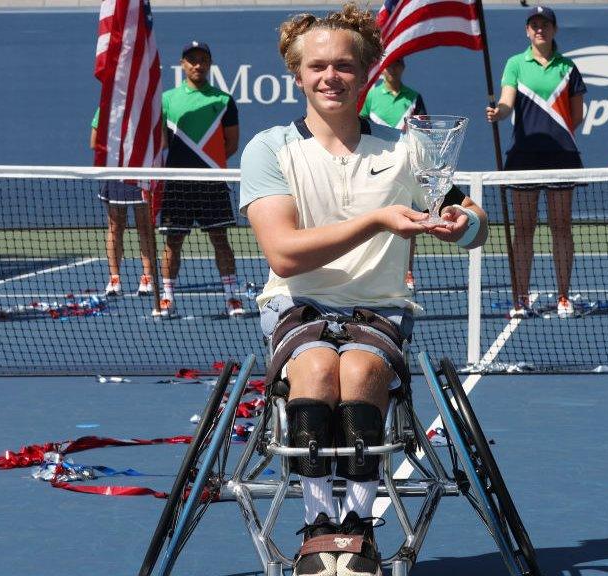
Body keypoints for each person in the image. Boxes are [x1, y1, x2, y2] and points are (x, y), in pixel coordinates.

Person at [239, 5, 488, 576]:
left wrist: (462, 224)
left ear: (368, 73)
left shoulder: (407, 150)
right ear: (297, 74)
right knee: (320, 368)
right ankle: (319, 527)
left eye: (345, 66)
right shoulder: (270, 149)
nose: (332, 77)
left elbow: (471, 222)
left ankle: (356, 531)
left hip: (379, 308)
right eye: (318, 66)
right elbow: (283, 252)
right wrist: (377, 221)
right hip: (296, 303)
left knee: (360, 372)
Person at [486, 5, 586, 319]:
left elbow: (578, 114)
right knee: (524, 229)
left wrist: (556, 135)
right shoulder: (516, 64)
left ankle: (564, 297)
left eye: (545, 24)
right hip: (523, 157)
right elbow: (506, 102)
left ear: (554, 30)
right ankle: (521, 298)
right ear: (528, 31)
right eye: (534, 24)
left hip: (561, 157)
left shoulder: (568, 68)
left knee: (561, 228)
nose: (539, 29)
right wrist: (498, 113)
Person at [157, 40, 242, 318]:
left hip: (211, 182)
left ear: (209, 64)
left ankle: (232, 298)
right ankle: (167, 298)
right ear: (182, 64)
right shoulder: (167, 99)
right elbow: (160, 142)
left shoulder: (223, 100)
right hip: (176, 183)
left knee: (220, 239)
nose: (197, 65)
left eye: (202, 60)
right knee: (173, 243)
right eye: (191, 60)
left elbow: (231, 144)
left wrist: (208, 162)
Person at [360, 56, 427, 291]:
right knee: (373, 218)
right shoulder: (370, 95)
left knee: (408, 220)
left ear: (403, 68)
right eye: (389, 65)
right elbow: (361, 127)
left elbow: (422, 130)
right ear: (383, 69)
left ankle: (407, 271)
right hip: (375, 166)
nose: (393, 69)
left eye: (398, 64)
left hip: (404, 167)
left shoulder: (414, 97)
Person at [90, 109, 158, 297]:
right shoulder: (107, 106)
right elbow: (94, 142)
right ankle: (114, 278)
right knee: (115, 227)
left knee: (145, 226)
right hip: (116, 173)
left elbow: (161, 142)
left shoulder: (147, 103)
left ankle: (147, 277)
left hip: (141, 173)